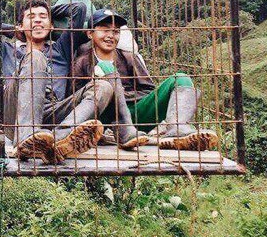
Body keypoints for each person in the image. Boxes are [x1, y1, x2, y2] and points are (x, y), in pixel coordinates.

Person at [71, 9, 220, 151]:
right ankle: (117, 133)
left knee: (181, 78)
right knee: (105, 70)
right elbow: (76, 99)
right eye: (105, 29)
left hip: (137, 113)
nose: (111, 35)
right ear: (90, 33)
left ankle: (178, 128)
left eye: (116, 31)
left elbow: (148, 90)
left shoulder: (129, 57)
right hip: (107, 119)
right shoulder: (82, 62)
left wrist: (122, 94)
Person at [0, 0, 113, 165]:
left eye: (43, 16)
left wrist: (46, 14)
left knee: (104, 87)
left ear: (52, 25)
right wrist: (15, 30)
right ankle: (25, 138)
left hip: (52, 111)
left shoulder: (60, 49)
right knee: (35, 57)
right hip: (16, 115)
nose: (37, 19)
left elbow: (78, 9)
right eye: (31, 16)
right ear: (20, 25)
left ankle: (60, 138)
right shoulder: (6, 50)